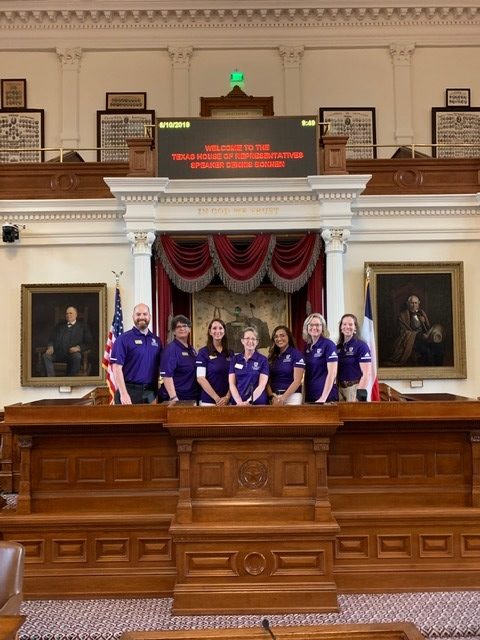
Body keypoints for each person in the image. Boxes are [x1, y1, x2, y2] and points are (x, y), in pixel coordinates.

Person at [110, 303, 162, 404]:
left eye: (145, 314)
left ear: (149, 316)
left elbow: (160, 367)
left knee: (151, 419)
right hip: (129, 391)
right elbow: (116, 368)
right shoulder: (123, 339)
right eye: (138, 314)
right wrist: (124, 394)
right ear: (133, 317)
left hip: (150, 391)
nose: (141, 317)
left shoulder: (157, 340)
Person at [390, 295, 444, 366]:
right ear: (408, 304)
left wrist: (424, 321)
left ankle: (438, 371)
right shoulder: (403, 315)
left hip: (426, 337)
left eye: (415, 303)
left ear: (419, 303)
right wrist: (419, 335)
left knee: (439, 347)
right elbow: (402, 332)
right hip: (412, 340)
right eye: (412, 303)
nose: (414, 305)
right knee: (427, 351)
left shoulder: (422, 313)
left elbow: (428, 327)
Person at [159, 315, 199, 403]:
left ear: (189, 329)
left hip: (192, 396)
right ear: (173, 332)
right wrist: (173, 398)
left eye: (185, 326)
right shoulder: (170, 350)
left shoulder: (192, 350)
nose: (182, 329)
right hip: (178, 398)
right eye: (178, 327)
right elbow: (167, 376)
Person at [43, 305, 93, 376]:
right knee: (46, 356)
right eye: (67, 313)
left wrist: (78, 348)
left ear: (76, 315)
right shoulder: (59, 326)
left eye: (70, 313)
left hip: (71, 355)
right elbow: (51, 339)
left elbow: (89, 343)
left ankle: (70, 379)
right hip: (57, 353)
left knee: (77, 356)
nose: (68, 315)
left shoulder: (83, 327)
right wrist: (50, 346)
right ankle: (51, 380)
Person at [196, 318, 233, 406]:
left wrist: (227, 397)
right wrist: (217, 398)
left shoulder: (231, 353)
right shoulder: (203, 352)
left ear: (224, 331)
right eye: (214, 328)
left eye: (220, 328)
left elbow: (234, 378)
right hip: (209, 402)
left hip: (228, 401)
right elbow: (200, 378)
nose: (218, 331)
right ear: (210, 332)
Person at [303, 312, 338, 403]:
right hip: (310, 395)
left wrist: (323, 397)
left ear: (322, 328)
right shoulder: (307, 347)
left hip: (325, 397)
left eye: (318, 325)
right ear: (307, 328)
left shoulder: (328, 345)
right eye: (311, 325)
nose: (314, 327)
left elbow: (332, 373)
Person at [229, 326, 269, 405]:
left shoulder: (263, 360)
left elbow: (262, 385)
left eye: (253, 339)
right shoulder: (235, 359)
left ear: (257, 342)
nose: (250, 341)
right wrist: (240, 402)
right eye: (247, 338)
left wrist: (249, 401)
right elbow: (232, 384)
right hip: (237, 404)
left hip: (257, 404)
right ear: (242, 341)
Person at [336, 313, 371, 401]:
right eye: (344, 324)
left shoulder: (361, 346)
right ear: (341, 327)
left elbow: (366, 374)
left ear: (355, 328)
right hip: (339, 389)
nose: (347, 326)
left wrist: (358, 395)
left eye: (350, 324)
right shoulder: (337, 348)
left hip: (354, 388)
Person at [267, 325, 305, 405]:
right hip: (274, 397)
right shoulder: (271, 357)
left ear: (289, 337)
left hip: (292, 397)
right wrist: (272, 397)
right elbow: (266, 381)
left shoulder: (296, 354)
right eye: (276, 337)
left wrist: (282, 399)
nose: (279, 339)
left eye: (282, 335)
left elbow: (297, 381)